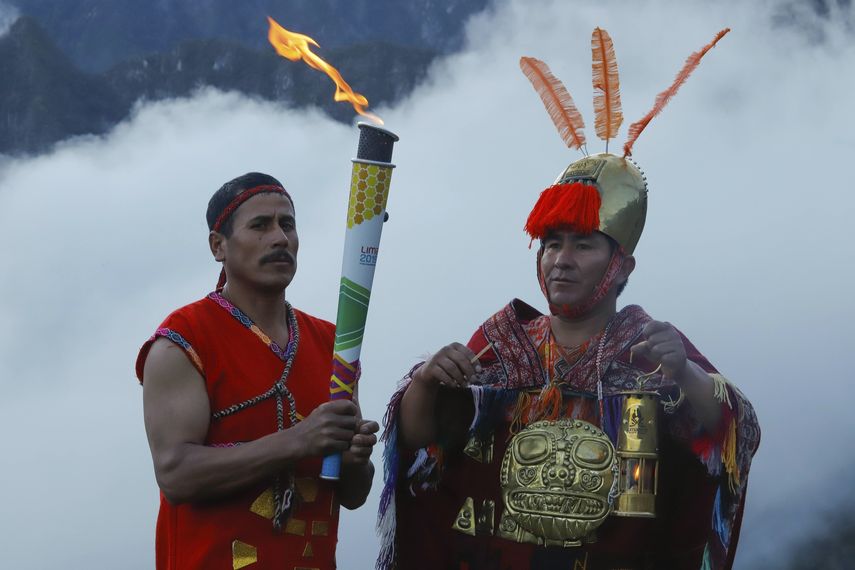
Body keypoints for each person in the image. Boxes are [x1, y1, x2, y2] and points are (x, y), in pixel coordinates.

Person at [376, 30, 759, 570]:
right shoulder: (502, 342)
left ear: (621, 265)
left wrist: (687, 377)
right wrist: (424, 382)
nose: (561, 259)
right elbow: (421, 444)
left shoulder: (648, 350)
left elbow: (732, 435)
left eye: (583, 245)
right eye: (552, 243)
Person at [136, 172, 379, 570]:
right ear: (219, 246)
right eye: (260, 225)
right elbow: (175, 474)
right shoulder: (183, 340)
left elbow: (352, 495)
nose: (280, 238)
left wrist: (354, 458)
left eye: (287, 224)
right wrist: (298, 441)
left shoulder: (335, 343)